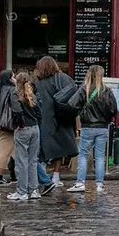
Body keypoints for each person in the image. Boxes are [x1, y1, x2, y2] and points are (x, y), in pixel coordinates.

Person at [68, 65, 118, 194]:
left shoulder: (84, 89)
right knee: (100, 156)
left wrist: (81, 112)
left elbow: (72, 104)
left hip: (87, 127)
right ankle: (99, 184)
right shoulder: (106, 90)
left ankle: (80, 183)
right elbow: (114, 109)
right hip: (102, 127)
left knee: (83, 155)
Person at [34, 56, 78, 193]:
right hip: (59, 119)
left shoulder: (37, 82)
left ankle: (42, 177)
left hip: (42, 119)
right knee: (59, 148)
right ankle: (55, 176)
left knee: (41, 150)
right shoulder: (62, 78)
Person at [6, 71, 41, 202]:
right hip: (35, 128)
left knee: (22, 161)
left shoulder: (15, 94)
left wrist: (20, 125)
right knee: (33, 161)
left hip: (23, 129)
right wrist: (37, 124)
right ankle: (34, 190)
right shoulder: (31, 94)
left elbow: (17, 111)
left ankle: (21, 191)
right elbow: (39, 112)